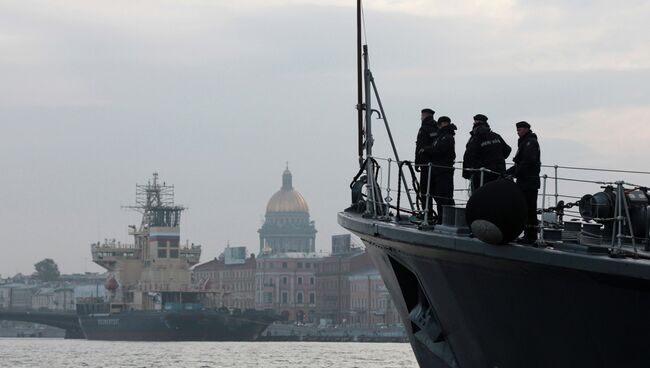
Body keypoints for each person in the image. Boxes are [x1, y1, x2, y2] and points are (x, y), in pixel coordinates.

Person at [506, 121, 541, 244]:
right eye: (517, 129)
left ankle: (530, 236)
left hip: (529, 181)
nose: (518, 131)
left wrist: (514, 174)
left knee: (529, 209)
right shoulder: (525, 142)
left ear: (526, 129)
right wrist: (507, 172)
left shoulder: (530, 143)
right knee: (524, 207)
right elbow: (519, 163)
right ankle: (527, 234)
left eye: (520, 129)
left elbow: (527, 162)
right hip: (524, 181)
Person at [462, 114, 511, 193]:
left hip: (482, 175)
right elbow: (507, 151)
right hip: (498, 174)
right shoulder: (496, 136)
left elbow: (468, 156)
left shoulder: (475, 139)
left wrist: (466, 173)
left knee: (480, 199)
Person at [428, 116, 457, 223]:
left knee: (444, 195)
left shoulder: (447, 137)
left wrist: (428, 150)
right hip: (438, 169)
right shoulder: (440, 136)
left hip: (444, 170)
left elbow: (441, 150)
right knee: (438, 194)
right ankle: (443, 218)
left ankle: (445, 219)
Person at [415, 108, 437, 218]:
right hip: (436, 165)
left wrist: (417, 163)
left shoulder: (424, 129)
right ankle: (439, 215)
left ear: (424, 115)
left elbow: (420, 146)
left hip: (425, 163)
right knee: (435, 190)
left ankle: (427, 214)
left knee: (425, 191)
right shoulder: (437, 128)